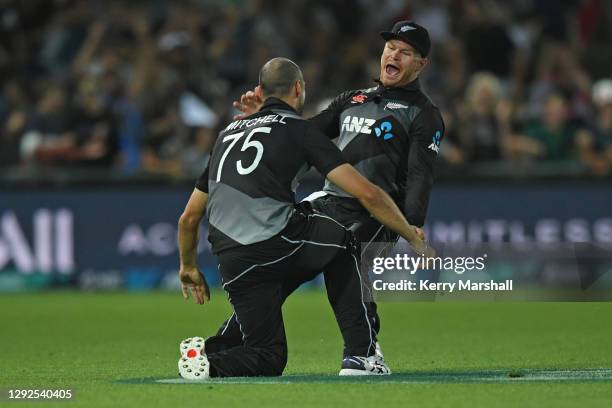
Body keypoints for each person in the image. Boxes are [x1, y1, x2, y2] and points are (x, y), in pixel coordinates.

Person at [177, 58, 431, 378]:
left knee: (268, 357)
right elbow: (367, 194)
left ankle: (208, 358)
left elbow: (189, 218)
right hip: (276, 240)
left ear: (262, 91)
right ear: (298, 88)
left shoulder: (226, 135)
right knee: (342, 240)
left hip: (232, 260)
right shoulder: (299, 131)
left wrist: (187, 267)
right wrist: (409, 233)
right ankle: (361, 355)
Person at [225, 21, 445, 360]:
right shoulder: (352, 99)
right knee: (278, 261)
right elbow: (305, 134)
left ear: (421, 64)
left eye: (405, 52)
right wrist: (268, 119)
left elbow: (420, 173)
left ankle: (362, 354)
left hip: (376, 213)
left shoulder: (424, 114)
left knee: (348, 254)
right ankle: (229, 343)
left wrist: (412, 222)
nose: (394, 55)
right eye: (390, 48)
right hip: (328, 204)